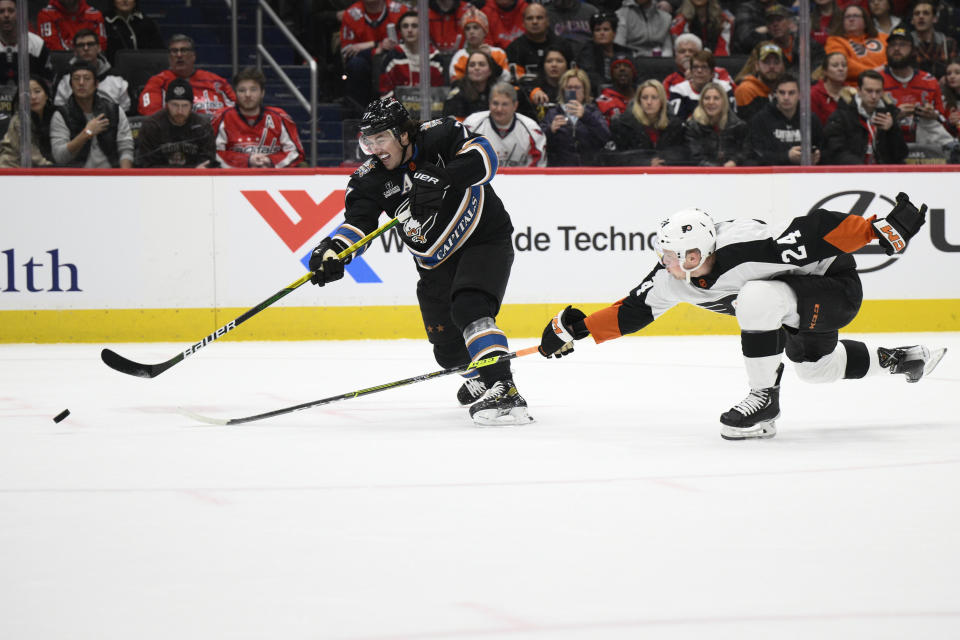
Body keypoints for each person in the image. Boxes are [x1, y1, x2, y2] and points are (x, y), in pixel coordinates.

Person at [537, 196, 945, 440]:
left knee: (754, 297)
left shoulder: (748, 245)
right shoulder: (671, 277)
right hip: (792, 308)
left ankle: (763, 399)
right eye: (667, 256)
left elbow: (814, 230)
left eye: (684, 257)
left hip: (834, 288)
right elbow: (632, 311)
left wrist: (877, 229)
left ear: (702, 248)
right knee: (816, 370)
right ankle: (903, 358)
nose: (674, 266)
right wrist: (574, 331)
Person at [306, 96, 532, 426]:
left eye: (380, 137)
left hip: (483, 237)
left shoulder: (439, 134)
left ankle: (505, 388)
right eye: (368, 140)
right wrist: (334, 250)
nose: (374, 147)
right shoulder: (368, 178)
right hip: (434, 264)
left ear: (402, 134)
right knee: (448, 353)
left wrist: (445, 177)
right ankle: (483, 375)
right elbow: (359, 222)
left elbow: (486, 158)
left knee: (469, 308)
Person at [211, 67, 305, 168]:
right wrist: (247, 161)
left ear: (262, 93)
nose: (247, 95)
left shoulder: (279, 117)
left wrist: (270, 161)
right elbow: (213, 153)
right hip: (233, 178)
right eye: (242, 90)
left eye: (253, 89)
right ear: (235, 93)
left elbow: (295, 153)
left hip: (274, 177)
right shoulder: (222, 117)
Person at [50, 60, 133, 167]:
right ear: (71, 85)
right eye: (76, 79)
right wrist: (87, 133)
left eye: (87, 78)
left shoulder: (114, 110)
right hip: (77, 179)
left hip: (111, 177)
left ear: (96, 84)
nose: (81, 83)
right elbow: (60, 157)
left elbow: (125, 148)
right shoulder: (61, 115)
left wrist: (124, 178)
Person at [879, 26, 950, 145]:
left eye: (902, 44)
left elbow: (944, 120)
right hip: (888, 143)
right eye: (892, 45)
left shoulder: (929, 81)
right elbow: (867, 120)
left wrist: (934, 116)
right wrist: (894, 116)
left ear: (913, 50)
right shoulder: (877, 80)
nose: (896, 48)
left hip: (927, 146)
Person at [822, 68, 907, 164]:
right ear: (859, 91)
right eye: (869, 91)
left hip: (883, 174)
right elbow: (835, 151)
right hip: (852, 174)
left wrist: (892, 129)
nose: (874, 96)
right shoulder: (841, 116)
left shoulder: (888, 114)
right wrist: (861, 169)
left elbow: (901, 154)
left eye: (878, 91)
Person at [138, 34, 236, 117]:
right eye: (174, 51)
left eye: (184, 50)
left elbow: (239, 109)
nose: (179, 55)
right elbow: (151, 116)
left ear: (193, 56)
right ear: (169, 57)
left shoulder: (215, 81)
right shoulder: (158, 82)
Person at [339, 0, 406, 112]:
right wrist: (377, 47)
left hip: (395, 58)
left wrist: (370, 45)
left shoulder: (400, 11)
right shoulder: (351, 14)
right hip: (365, 63)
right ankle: (359, 116)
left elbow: (408, 44)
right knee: (356, 64)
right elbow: (347, 51)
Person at [135, 77, 217, 168]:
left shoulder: (202, 126)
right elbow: (146, 164)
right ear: (166, 104)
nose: (180, 111)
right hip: (159, 179)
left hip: (195, 180)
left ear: (191, 106)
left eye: (185, 106)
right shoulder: (151, 126)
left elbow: (208, 161)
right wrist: (190, 170)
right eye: (175, 105)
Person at [745, 74, 823, 165]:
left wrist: (818, 155)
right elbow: (755, 155)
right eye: (782, 92)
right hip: (772, 176)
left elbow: (824, 147)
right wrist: (786, 157)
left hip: (807, 174)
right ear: (775, 94)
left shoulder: (810, 119)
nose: (786, 97)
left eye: (791, 93)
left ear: (799, 95)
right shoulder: (761, 120)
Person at [463, 81, 547, 166]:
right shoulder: (471, 125)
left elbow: (537, 169)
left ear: (515, 105)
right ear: (489, 103)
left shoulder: (532, 130)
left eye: (505, 104)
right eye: (495, 103)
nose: (499, 109)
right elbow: (461, 161)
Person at [541, 68, 611, 165]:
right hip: (561, 169)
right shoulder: (553, 113)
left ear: (584, 90)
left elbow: (605, 137)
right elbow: (540, 141)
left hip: (589, 168)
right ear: (563, 90)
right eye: (569, 87)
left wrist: (586, 116)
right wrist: (550, 130)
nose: (573, 91)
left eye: (577, 87)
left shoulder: (593, 111)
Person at [609, 78, 686, 164]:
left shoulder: (674, 124)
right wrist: (646, 163)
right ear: (639, 101)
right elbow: (616, 157)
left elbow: (681, 152)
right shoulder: (623, 124)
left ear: (662, 101)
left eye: (654, 98)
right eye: (645, 98)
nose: (649, 102)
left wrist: (663, 162)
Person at [54, 29, 131, 114]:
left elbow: (127, 113)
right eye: (81, 45)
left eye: (90, 44)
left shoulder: (117, 78)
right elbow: (59, 111)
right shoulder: (65, 78)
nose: (86, 48)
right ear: (75, 51)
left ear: (98, 48)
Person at [380, 10, 446, 96]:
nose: (410, 30)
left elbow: (440, 94)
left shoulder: (435, 58)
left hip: (429, 108)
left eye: (414, 26)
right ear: (400, 31)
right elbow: (385, 92)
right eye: (405, 26)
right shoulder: (393, 57)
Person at [684, 80, 748, 165]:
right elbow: (695, 158)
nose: (711, 102)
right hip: (704, 175)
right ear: (701, 102)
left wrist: (734, 161)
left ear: (724, 101)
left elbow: (746, 151)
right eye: (707, 98)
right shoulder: (692, 127)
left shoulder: (738, 126)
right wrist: (719, 170)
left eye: (716, 98)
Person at [825, 3, 888, 84]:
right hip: (855, 88)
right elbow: (841, 64)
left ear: (865, 21)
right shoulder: (834, 41)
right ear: (842, 21)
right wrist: (872, 72)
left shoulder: (884, 38)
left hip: (886, 82)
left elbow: (894, 57)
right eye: (847, 17)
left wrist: (885, 68)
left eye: (856, 16)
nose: (851, 19)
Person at [0, 75, 55, 166]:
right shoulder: (19, 120)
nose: (33, 97)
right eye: (27, 94)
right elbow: (32, 154)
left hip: (32, 170)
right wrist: (54, 169)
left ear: (46, 95)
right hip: (10, 169)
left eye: (37, 91)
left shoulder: (53, 116)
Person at [505, 3, 572, 77]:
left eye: (539, 18)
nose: (535, 22)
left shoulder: (562, 45)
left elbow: (572, 75)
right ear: (523, 23)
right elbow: (515, 80)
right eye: (530, 18)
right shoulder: (514, 49)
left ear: (547, 21)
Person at [669, 48, 735, 121]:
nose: (699, 71)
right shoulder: (679, 90)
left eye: (704, 67)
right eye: (695, 67)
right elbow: (676, 122)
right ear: (690, 71)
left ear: (712, 73)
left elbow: (732, 120)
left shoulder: (725, 88)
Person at [576, 11, 633, 92]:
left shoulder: (624, 52)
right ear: (593, 34)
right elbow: (591, 77)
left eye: (606, 29)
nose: (602, 33)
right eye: (597, 30)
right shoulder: (587, 52)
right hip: (597, 93)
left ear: (614, 33)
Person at [448, 7, 509, 82]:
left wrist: (491, 60)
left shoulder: (499, 53)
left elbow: (506, 79)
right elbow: (455, 83)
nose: (471, 32)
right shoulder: (459, 56)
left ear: (484, 31)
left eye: (476, 27)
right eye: (467, 29)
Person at [764, 4, 825, 79]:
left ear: (789, 22)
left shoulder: (806, 43)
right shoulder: (765, 50)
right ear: (767, 27)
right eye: (771, 21)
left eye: (779, 19)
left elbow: (821, 64)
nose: (775, 24)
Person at [0, 0, 53, 86]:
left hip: (30, 97)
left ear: (19, 14)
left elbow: (47, 81)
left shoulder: (37, 45)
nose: (6, 15)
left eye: (11, 11)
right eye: (1, 11)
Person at [734, 41, 785, 121]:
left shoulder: (785, 89)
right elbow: (755, 125)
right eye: (766, 62)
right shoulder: (746, 89)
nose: (772, 67)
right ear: (757, 66)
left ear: (782, 66)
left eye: (776, 62)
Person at [103, 0, 164, 65]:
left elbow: (160, 52)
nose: (125, 0)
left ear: (135, 2)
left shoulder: (147, 23)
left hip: (146, 69)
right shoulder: (104, 23)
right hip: (114, 70)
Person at [669, 0, 735, 57]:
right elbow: (681, 51)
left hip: (715, 62)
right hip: (689, 62)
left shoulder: (723, 20)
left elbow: (723, 50)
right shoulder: (679, 22)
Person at [910, 0, 957, 80]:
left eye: (926, 13)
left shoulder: (948, 43)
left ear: (935, 19)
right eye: (917, 14)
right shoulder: (906, 43)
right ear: (912, 20)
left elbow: (955, 70)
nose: (921, 16)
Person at [443, 50, 498, 120]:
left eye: (481, 64)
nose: (476, 68)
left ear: (490, 71)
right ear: (467, 71)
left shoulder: (496, 93)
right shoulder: (457, 95)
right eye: (472, 65)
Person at [36, 0, 106, 52]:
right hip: (60, 66)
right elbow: (52, 48)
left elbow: (101, 47)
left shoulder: (94, 15)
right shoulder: (46, 14)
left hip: (91, 64)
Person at [810, 51, 849, 125]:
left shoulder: (852, 92)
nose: (841, 69)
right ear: (825, 71)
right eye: (835, 66)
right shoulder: (813, 94)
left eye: (844, 65)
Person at [596, 57, 638, 123]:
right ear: (612, 74)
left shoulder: (643, 95)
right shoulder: (604, 99)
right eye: (616, 67)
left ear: (633, 72)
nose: (622, 69)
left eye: (626, 66)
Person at [941, 58, 960, 134]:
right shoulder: (944, 101)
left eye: (957, 73)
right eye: (949, 73)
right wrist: (950, 123)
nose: (952, 76)